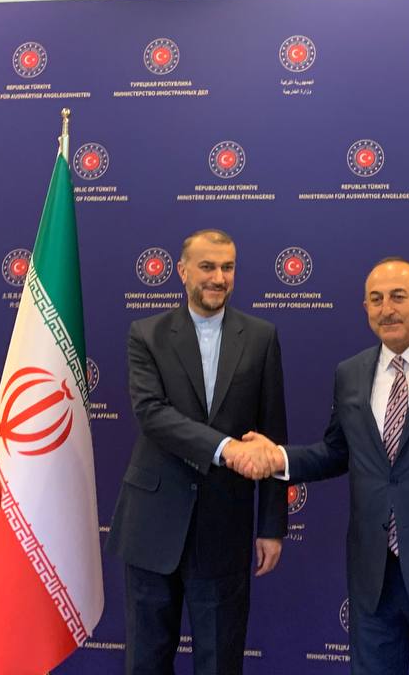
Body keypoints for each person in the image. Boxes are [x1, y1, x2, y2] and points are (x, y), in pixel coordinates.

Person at [234, 257, 409, 675]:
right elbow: (336, 452)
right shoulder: (350, 373)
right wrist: (278, 457)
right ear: (365, 308)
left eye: (398, 297)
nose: (387, 309)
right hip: (373, 580)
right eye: (376, 299)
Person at [107, 229, 288, 675]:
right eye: (207, 266)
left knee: (220, 662)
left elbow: (271, 435)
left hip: (224, 527)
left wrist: (271, 525)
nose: (218, 278)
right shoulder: (146, 334)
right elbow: (152, 414)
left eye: (228, 267)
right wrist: (225, 449)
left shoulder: (261, 337)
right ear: (183, 271)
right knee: (146, 662)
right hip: (152, 525)